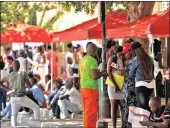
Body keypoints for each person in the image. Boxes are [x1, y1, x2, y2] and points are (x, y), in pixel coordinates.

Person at [0, 60, 40, 127]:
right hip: (22, 97)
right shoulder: (23, 73)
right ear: (19, 66)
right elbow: (29, 85)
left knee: (14, 115)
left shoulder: (9, 75)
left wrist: (7, 88)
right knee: (36, 108)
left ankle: (14, 126)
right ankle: (36, 124)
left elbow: (1, 82)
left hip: (13, 98)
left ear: (12, 66)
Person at [79, 42, 106, 128]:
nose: (96, 52)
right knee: (91, 112)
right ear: (91, 50)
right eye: (95, 50)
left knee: (86, 112)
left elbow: (80, 75)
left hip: (83, 88)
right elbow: (94, 76)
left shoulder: (82, 60)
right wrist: (102, 73)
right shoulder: (92, 60)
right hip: (91, 89)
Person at [129, 41, 154, 111]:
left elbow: (131, 74)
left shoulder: (136, 59)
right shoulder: (150, 58)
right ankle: (150, 120)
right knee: (149, 107)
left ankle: (145, 121)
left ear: (134, 50)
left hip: (140, 85)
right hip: (151, 85)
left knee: (143, 108)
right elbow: (152, 71)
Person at [120, 43, 138, 128]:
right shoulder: (128, 61)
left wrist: (124, 72)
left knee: (131, 109)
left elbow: (130, 75)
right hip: (127, 90)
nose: (125, 54)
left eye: (126, 52)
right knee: (126, 110)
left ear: (131, 51)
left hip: (131, 90)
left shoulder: (135, 61)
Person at [107, 45, 124, 128]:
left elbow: (123, 70)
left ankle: (123, 125)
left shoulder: (124, 59)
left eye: (122, 54)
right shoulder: (112, 59)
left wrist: (122, 61)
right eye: (120, 54)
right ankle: (114, 126)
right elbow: (109, 72)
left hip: (122, 84)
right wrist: (115, 85)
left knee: (122, 106)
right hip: (113, 84)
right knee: (114, 106)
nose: (121, 55)